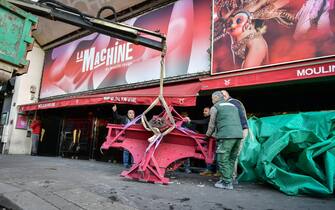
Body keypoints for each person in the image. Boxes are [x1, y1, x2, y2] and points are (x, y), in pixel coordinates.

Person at [204, 91, 243, 190]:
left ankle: (227, 182)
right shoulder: (233, 106)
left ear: (216, 98)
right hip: (238, 135)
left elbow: (211, 124)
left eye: (212, 98)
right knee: (231, 159)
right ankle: (228, 178)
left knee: (222, 158)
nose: (212, 100)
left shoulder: (215, 107)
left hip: (227, 135)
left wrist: (207, 136)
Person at [221, 90, 249, 183]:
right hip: (239, 131)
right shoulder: (233, 103)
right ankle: (230, 177)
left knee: (232, 155)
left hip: (239, 131)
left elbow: (236, 117)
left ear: (227, 96)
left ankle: (230, 178)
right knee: (232, 155)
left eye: (223, 95)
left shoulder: (232, 103)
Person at [185, 107, 217, 176]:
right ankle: (211, 170)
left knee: (209, 154)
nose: (204, 112)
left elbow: (203, 122)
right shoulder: (209, 118)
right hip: (209, 139)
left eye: (206, 111)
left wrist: (190, 121)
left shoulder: (210, 118)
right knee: (210, 155)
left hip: (211, 140)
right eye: (203, 111)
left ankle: (209, 170)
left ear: (210, 112)